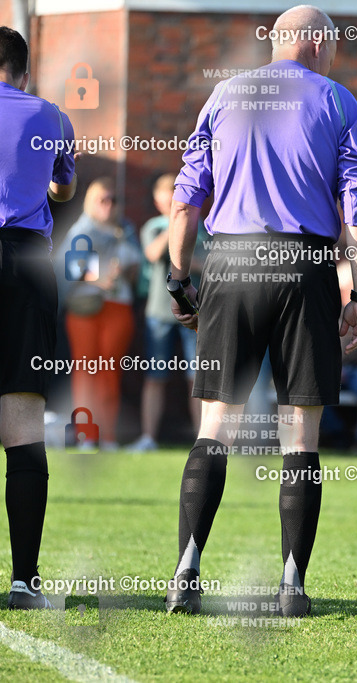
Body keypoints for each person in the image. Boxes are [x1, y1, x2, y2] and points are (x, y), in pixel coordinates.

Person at [163, 5, 357, 618]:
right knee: (299, 433)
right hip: (305, 265)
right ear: (313, 44)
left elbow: (185, 200)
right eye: (332, 43)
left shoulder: (225, 95)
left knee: (216, 427)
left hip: (230, 261)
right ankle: (291, 586)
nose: (334, 54)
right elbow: (355, 208)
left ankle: (186, 572)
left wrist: (180, 280)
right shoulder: (337, 101)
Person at [0, 25, 77, 609]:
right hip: (27, 266)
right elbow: (62, 187)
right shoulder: (50, 115)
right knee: (23, 427)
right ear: (24, 70)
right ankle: (24, 582)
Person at [58, 177, 142, 449]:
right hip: (84, 309)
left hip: (117, 307)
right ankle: (86, 436)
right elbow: (69, 269)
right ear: (90, 202)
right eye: (102, 200)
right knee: (85, 373)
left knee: (109, 372)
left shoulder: (126, 230)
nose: (108, 205)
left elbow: (137, 275)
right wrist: (98, 277)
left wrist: (126, 271)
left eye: (113, 200)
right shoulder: (80, 231)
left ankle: (107, 436)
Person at [130, 173, 204, 451]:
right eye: (165, 194)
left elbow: (208, 265)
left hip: (193, 312)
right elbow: (152, 253)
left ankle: (202, 439)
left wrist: (188, 258)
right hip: (159, 313)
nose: (171, 199)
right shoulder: (153, 226)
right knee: (155, 376)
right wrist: (176, 222)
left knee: (197, 378)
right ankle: (148, 437)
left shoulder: (202, 227)